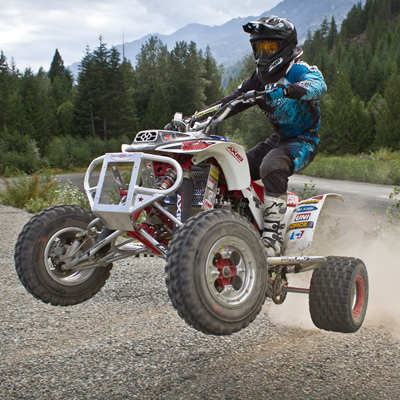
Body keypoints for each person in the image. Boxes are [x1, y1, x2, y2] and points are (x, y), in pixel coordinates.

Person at [208, 15, 327, 256]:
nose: (263, 54)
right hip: (278, 138)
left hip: (304, 139)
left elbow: (318, 85)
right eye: (259, 47)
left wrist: (289, 89)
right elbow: (230, 102)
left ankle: (272, 238)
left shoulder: (297, 70)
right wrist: (199, 118)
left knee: (272, 165)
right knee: (233, 166)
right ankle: (232, 223)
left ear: (284, 48)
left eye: (270, 47)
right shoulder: (258, 79)